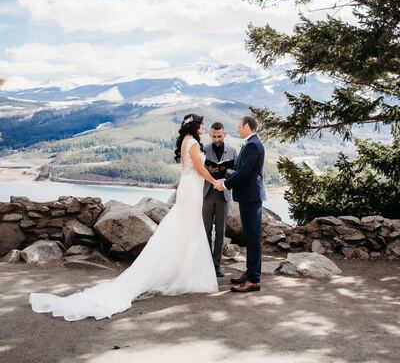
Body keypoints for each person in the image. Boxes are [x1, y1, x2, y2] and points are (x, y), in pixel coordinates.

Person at [29, 114, 220, 321]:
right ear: (195, 126)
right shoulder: (193, 143)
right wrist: (216, 182)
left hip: (189, 189)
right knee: (189, 229)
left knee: (185, 229)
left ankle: (181, 272)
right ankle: (185, 274)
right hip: (192, 190)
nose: (204, 127)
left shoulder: (185, 141)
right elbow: (199, 169)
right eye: (202, 124)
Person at [215, 115, 266, 294]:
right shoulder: (251, 143)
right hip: (249, 197)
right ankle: (250, 273)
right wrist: (229, 173)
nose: (237, 129)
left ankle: (254, 280)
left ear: (247, 126)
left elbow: (245, 173)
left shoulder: (252, 145)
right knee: (251, 238)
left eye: (239, 126)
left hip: (251, 197)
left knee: (253, 239)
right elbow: (242, 171)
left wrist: (225, 184)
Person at [202, 122, 238, 277]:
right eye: (214, 136)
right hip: (207, 194)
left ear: (225, 134)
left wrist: (225, 177)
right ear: (210, 135)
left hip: (224, 195)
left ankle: (216, 265)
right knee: (206, 230)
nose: (217, 139)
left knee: (220, 231)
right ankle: (205, 263)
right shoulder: (203, 149)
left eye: (219, 136)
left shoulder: (232, 151)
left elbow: (237, 172)